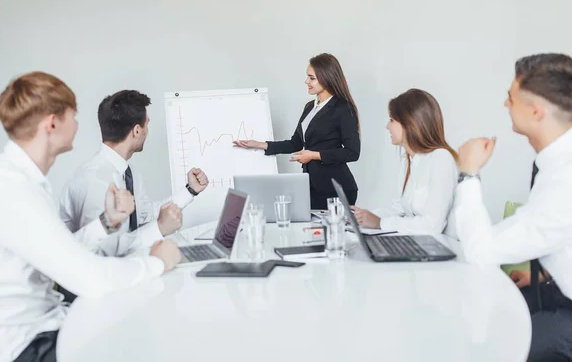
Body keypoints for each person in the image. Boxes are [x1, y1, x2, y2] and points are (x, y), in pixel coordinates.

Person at [0, 72, 183, 362]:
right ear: (53, 123)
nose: (79, 124)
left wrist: (107, 223)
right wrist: (158, 262)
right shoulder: (10, 190)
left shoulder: (19, 181)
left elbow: (59, 252)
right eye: (74, 114)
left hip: (45, 327)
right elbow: (91, 278)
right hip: (23, 347)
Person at [454, 53, 572, 361]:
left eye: (511, 98)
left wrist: (468, 174)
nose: (505, 105)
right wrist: (543, 274)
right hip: (554, 290)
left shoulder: (564, 181)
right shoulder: (557, 162)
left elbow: (480, 250)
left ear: (536, 112)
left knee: (493, 345)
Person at [60, 89, 209, 256]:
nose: (148, 130)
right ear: (137, 130)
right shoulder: (95, 181)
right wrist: (159, 228)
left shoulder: (128, 172)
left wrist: (189, 191)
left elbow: (143, 217)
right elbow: (104, 255)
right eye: (147, 124)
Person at [233, 53, 360, 209]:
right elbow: (295, 143)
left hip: (336, 188)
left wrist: (313, 155)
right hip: (311, 185)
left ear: (326, 77)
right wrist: (260, 145)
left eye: (311, 78)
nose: (306, 81)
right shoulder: (310, 107)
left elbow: (352, 152)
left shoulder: (342, 108)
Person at [351, 89, 459, 237]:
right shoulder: (409, 158)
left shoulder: (441, 159)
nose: (387, 126)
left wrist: (380, 223)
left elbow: (432, 226)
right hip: (421, 243)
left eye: (392, 120)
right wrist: (362, 217)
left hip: (442, 248)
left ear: (410, 123)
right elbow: (400, 207)